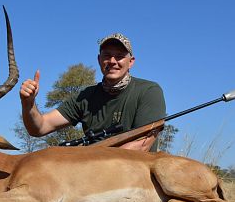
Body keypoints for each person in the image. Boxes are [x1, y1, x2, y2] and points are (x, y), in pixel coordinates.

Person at [20, 33, 166, 152]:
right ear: (99, 59)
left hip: (132, 175)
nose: (113, 61)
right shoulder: (84, 97)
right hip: (92, 171)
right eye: (107, 55)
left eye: (120, 56)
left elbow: (141, 146)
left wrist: (88, 161)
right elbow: (39, 127)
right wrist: (28, 103)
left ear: (131, 62)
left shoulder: (149, 91)